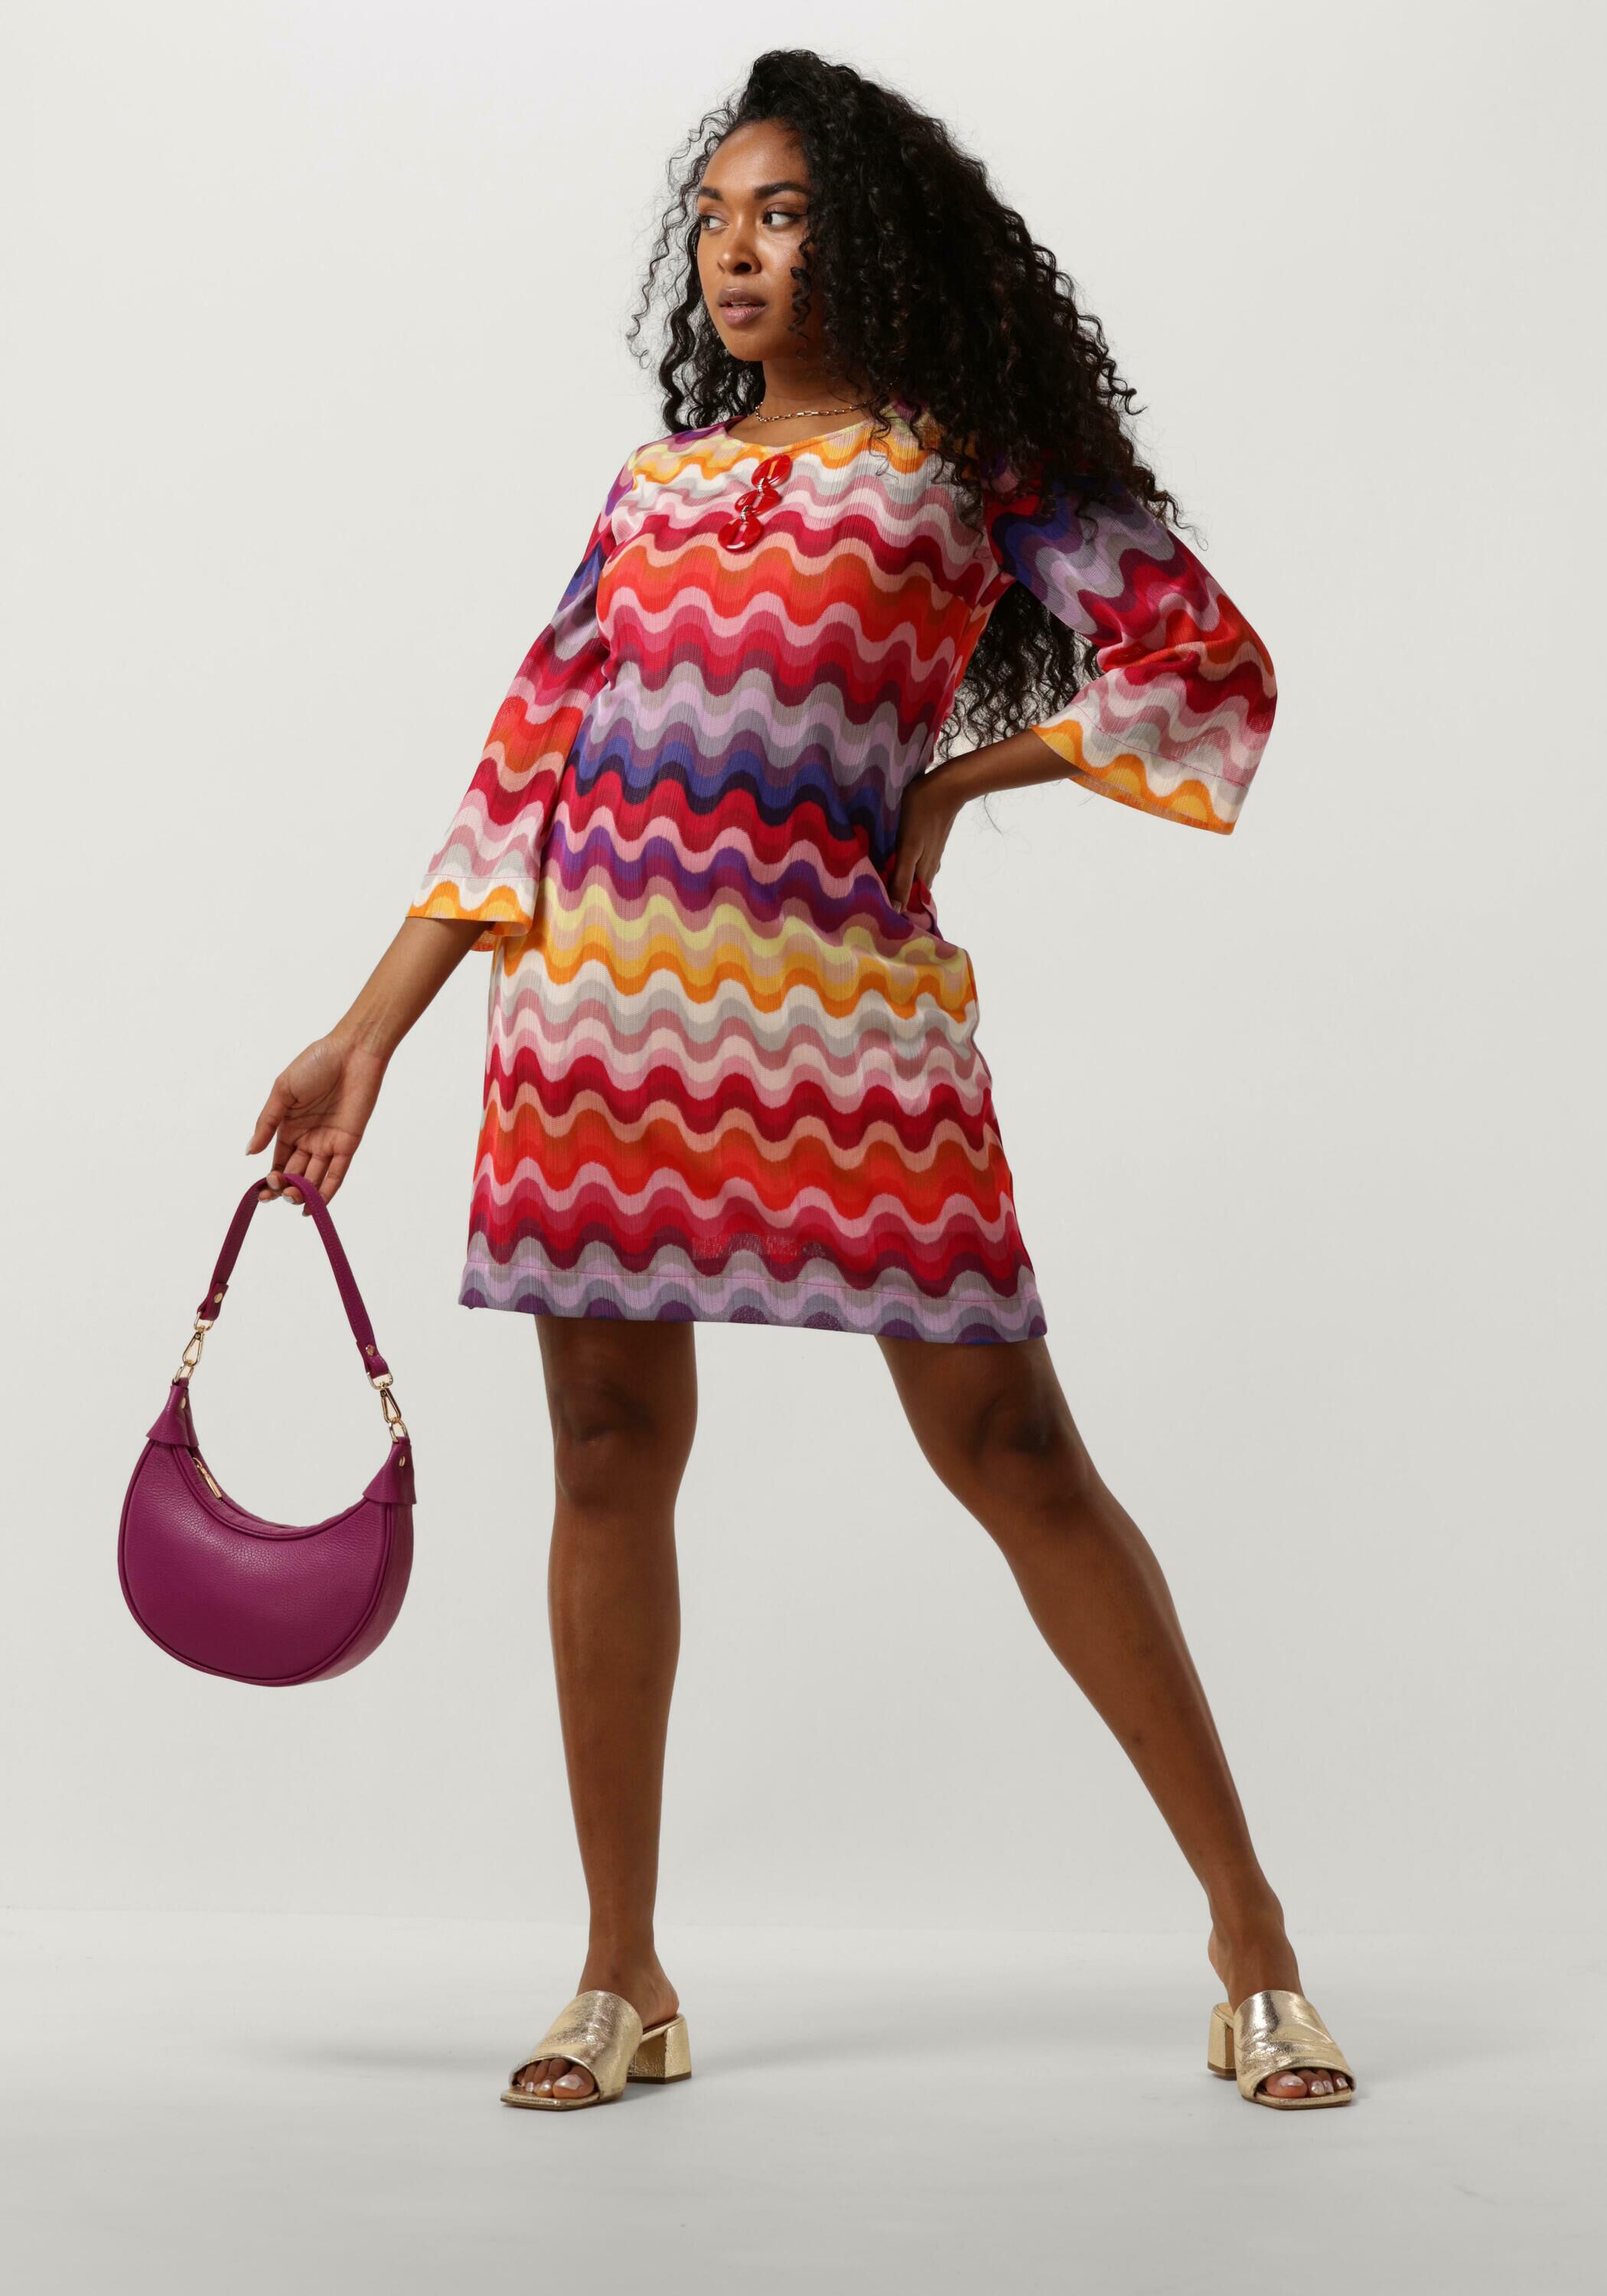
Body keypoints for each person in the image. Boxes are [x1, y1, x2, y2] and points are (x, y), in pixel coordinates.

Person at [246, 50, 1354, 2115]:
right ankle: (621, 1974)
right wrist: (364, 1030)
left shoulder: (971, 463)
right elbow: (520, 771)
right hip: (591, 1021)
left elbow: (1199, 659)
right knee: (604, 1459)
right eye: (715, 220)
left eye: (782, 215)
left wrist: (964, 775)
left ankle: (1253, 1938)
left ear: (872, 237)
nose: (737, 252)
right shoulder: (652, 489)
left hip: (846, 1032)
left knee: (1014, 1446)